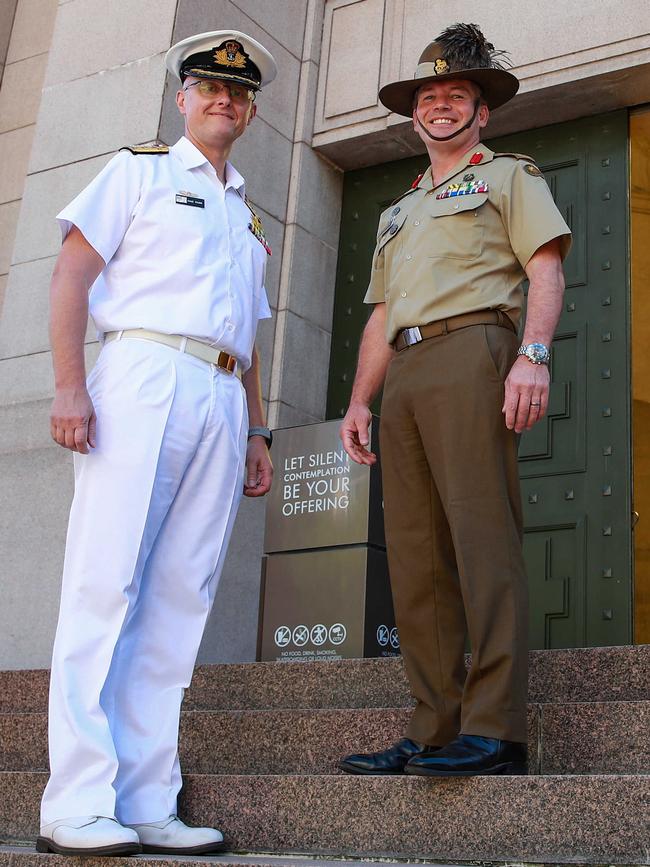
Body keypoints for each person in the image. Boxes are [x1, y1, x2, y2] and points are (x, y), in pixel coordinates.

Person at [38, 30, 276, 856]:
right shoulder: (137, 170)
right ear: (183, 97)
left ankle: (145, 798)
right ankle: (74, 800)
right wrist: (70, 384)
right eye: (209, 86)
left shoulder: (246, 213)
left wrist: (255, 428)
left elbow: (247, 332)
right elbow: (71, 273)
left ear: (249, 111)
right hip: (141, 374)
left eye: (238, 93)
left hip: (219, 393)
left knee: (179, 602)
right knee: (105, 585)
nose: (224, 99)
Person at [339, 23, 571, 778]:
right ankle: (434, 726)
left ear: (482, 111)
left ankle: (497, 728)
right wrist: (359, 401)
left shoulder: (508, 176)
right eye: (430, 97)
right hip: (402, 372)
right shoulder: (396, 211)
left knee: (482, 538)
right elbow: (381, 315)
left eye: (457, 96)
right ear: (416, 114)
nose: (441, 107)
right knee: (415, 558)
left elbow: (544, 269)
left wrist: (532, 356)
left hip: (475, 351)